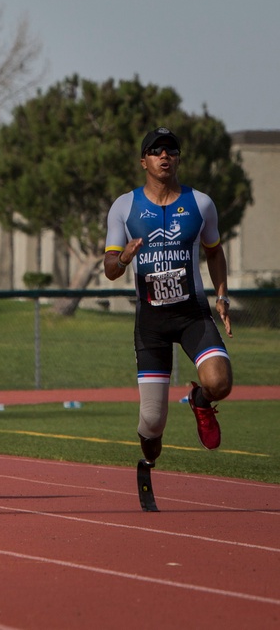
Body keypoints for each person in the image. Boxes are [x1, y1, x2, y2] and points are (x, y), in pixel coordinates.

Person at [104, 127, 233, 512]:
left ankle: (199, 397)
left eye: (171, 151)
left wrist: (222, 296)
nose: (164, 156)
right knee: (152, 423)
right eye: (155, 151)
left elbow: (214, 252)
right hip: (152, 325)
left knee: (221, 382)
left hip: (193, 315)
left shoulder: (201, 204)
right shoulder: (124, 207)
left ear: (178, 159)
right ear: (143, 160)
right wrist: (124, 257)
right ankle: (148, 462)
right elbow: (110, 268)